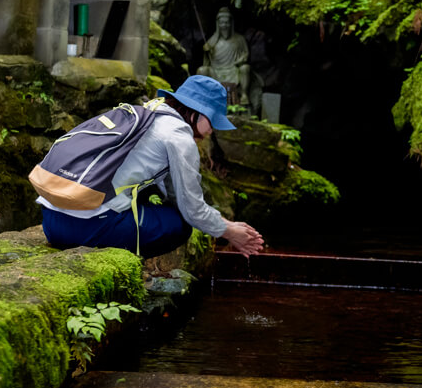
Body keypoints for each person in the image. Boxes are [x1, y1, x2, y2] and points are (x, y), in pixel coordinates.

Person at [38, 75, 265, 258]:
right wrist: (230, 232)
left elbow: (176, 196)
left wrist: (224, 223)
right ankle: (126, 264)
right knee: (179, 226)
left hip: (51, 221)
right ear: (197, 113)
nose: (211, 131)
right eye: (213, 121)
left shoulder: (146, 115)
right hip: (83, 227)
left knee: (147, 196)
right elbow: (191, 210)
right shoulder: (178, 137)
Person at [198, 7, 251, 105]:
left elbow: (245, 54)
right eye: (222, 23)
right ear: (218, 24)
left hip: (233, 69)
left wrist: (241, 60)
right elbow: (206, 56)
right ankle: (203, 96)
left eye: (227, 23)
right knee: (202, 70)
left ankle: (244, 95)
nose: (224, 26)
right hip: (216, 71)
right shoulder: (213, 40)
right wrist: (207, 50)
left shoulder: (239, 39)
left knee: (245, 68)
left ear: (231, 24)